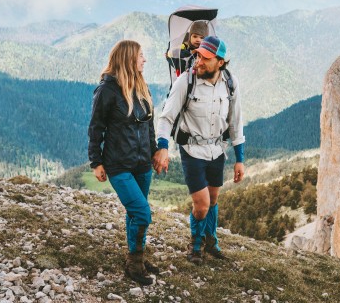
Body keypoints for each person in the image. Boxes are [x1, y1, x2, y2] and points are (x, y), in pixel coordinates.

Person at [154, 36, 245, 264]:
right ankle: (195, 245)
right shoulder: (186, 81)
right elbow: (166, 118)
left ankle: (211, 241)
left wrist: (239, 159)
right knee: (202, 204)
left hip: (217, 150)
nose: (199, 61)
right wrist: (163, 147)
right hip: (191, 149)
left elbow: (235, 122)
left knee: (213, 200)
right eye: (198, 55)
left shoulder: (230, 83)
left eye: (206, 58)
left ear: (221, 62)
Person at [88, 40, 162, 285]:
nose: (145, 60)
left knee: (134, 212)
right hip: (118, 165)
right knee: (142, 213)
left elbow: (149, 124)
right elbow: (96, 128)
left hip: (142, 164)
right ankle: (134, 262)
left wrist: (154, 152)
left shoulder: (141, 86)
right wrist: (96, 162)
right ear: (129, 58)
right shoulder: (107, 90)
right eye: (141, 55)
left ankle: (136, 258)